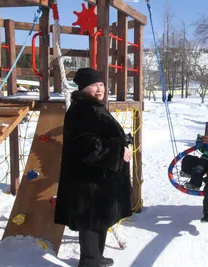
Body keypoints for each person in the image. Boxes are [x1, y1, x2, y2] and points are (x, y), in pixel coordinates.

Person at [54, 67, 133, 267]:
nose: (99, 89)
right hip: (88, 182)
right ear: (82, 88)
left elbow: (104, 135)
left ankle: (96, 257)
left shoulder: (93, 106)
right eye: (93, 86)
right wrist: (117, 149)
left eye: (101, 85)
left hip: (99, 180)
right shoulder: (82, 110)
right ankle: (89, 262)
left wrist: (123, 142)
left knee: (101, 221)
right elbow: (87, 147)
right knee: (90, 224)